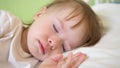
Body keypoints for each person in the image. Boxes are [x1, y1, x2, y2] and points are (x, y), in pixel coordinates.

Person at [0, 0, 102, 68]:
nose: (54, 42)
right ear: (40, 14)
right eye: (55, 28)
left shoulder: (40, 64)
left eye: (63, 47)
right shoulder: (8, 24)